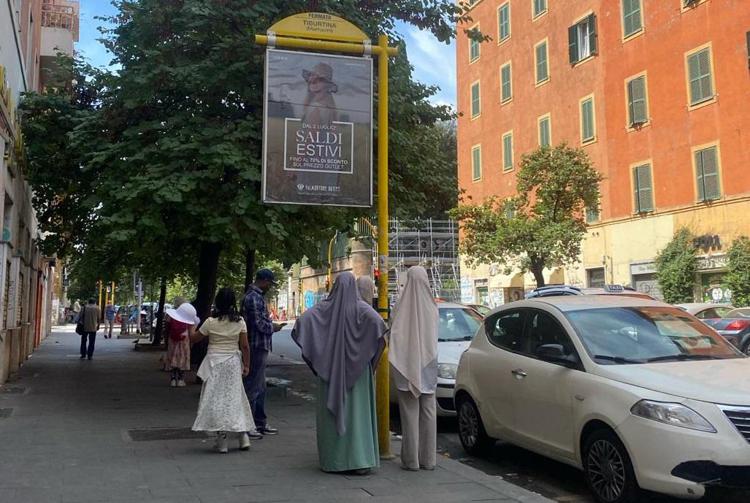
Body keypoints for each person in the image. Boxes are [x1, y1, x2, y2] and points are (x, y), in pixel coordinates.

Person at [292, 272, 386, 474]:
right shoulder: (363, 309)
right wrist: (371, 363)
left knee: (331, 419)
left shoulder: (323, 309)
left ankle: (333, 461)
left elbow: (302, 324)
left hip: (330, 373)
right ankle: (359, 461)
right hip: (359, 375)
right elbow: (380, 330)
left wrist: (316, 363)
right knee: (357, 416)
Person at [191, 288, 254, 453]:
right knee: (236, 397)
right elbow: (245, 346)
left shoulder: (210, 322)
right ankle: (243, 436)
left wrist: (192, 325)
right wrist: (246, 365)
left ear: (217, 303)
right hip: (233, 362)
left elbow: (194, 338)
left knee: (216, 399)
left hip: (214, 363)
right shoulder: (240, 322)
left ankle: (222, 440)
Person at [388, 266, 439, 471]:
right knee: (428, 411)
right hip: (427, 364)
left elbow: (393, 332)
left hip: (404, 365)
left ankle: (411, 461)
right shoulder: (432, 307)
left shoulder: (400, 307)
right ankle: (429, 459)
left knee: (409, 413)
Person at [242, 268, 283, 437]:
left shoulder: (255, 297)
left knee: (260, 385)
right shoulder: (253, 298)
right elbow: (258, 323)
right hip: (256, 346)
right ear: (264, 281)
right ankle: (249, 424)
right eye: (269, 283)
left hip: (259, 345)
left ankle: (259, 422)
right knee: (253, 385)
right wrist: (273, 327)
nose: (270, 287)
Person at [164, 301, 197, 387]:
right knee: (182, 358)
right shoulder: (188, 318)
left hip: (172, 339)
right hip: (184, 340)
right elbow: (191, 331)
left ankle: (173, 379)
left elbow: (167, 328)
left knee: (172, 357)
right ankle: (181, 379)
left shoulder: (170, 316)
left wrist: (166, 340)